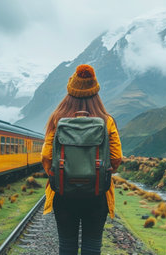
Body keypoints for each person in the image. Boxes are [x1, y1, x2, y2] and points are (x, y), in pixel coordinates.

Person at [41, 64, 122, 255]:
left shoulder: (57, 118)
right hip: (97, 192)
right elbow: (116, 157)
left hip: (64, 192)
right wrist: (104, 170)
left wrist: (56, 173)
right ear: (95, 92)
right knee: (92, 247)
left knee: (67, 246)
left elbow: (46, 155)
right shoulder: (106, 120)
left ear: (70, 92)